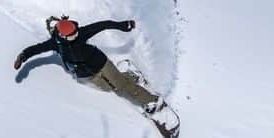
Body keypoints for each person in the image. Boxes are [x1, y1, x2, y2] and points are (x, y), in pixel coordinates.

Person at [13, 15, 163, 114]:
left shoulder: (82, 32)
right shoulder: (55, 44)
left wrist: (123, 25)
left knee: (122, 86)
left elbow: (102, 25)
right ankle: (129, 76)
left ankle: (151, 101)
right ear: (63, 36)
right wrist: (23, 56)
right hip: (87, 74)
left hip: (101, 63)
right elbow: (36, 49)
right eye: (72, 35)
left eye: (76, 32)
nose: (76, 35)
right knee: (110, 87)